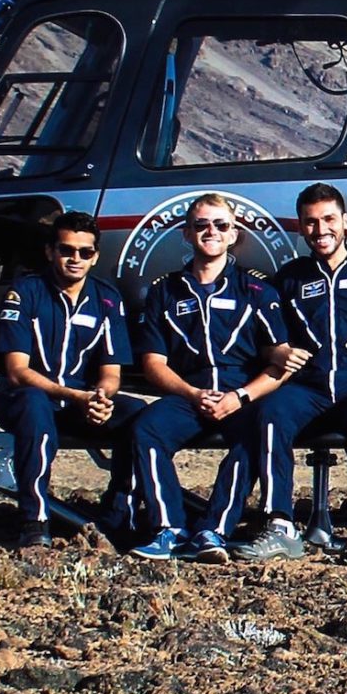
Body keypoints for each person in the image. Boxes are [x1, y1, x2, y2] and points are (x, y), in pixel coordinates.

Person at [240, 183, 347, 561]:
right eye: (311, 222)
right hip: (309, 385)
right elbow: (266, 338)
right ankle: (280, 525)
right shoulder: (289, 279)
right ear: (301, 227)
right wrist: (277, 351)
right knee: (270, 414)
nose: (321, 230)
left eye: (329, 219)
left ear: (346, 222)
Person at [123, 193, 291, 563]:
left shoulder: (257, 291)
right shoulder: (165, 291)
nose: (211, 231)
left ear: (233, 234)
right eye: (201, 225)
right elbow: (153, 362)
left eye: (220, 225)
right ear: (187, 234)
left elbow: (279, 364)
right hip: (189, 392)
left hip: (240, 392)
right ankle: (168, 529)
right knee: (147, 428)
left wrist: (240, 396)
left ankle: (214, 530)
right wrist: (191, 393)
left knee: (259, 432)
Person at [0, 210, 145, 550]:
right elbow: (17, 370)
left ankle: (120, 514)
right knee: (34, 404)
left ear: (95, 256)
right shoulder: (25, 292)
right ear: (50, 251)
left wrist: (100, 398)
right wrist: (76, 396)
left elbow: (111, 372)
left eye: (85, 252)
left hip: (78, 402)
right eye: (67, 250)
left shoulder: (106, 300)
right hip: (24, 399)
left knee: (139, 415)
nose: (76, 259)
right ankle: (34, 519)